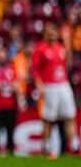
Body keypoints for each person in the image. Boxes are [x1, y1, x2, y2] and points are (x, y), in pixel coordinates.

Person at [32, 22, 78, 158]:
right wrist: (39, 86)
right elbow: (35, 70)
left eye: (54, 31)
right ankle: (46, 147)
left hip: (63, 84)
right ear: (45, 33)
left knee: (70, 116)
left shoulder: (60, 47)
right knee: (48, 119)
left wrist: (69, 48)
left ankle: (75, 147)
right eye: (50, 31)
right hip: (49, 86)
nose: (52, 34)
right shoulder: (39, 48)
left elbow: (67, 65)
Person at [0, 46, 24, 156]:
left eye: (3, 52)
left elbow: (17, 84)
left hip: (10, 105)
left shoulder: (12, 68)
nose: (1, 55)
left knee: (10, 131)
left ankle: (11, 152)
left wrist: (3, 85)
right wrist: (8, 85)